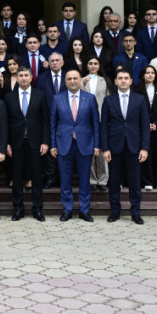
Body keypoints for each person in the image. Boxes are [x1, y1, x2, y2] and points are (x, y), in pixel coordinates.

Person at [49, 69, 100, 222]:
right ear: (65, 81)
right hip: (64, 144)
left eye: (75, 78)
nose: (72, 81)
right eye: (69, 79)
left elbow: (95, 123)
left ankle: (84, 210)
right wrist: (53, 144)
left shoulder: (90, 98)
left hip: (85, 144)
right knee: (65, 180)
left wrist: (97, 144)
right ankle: (67, 209)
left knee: (84, 180)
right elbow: (53, 123)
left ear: (80, 80)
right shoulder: (57, 98)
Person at [101, 70, 151, 224]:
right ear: (115, 81)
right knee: (114, 182)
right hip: (114, 147)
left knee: (135, 182)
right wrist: (105, 148)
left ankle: (135, 212)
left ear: (131, 81)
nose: (123, 81)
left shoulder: (140, 99)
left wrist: (144, 148)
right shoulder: (108, 100)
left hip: (134, 147)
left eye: (126, 78)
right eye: (120, 78)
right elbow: (104, 126)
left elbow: (144, 125)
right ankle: (115, 212)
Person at [4, 66, 50, 222]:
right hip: (16, 143)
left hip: (35, 142)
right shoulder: (9, 97)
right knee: (17, 178)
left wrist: (45, 141)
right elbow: (6, 123)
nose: (23, 78)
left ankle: (37, 209)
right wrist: (7, 143)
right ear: (17, 78)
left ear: (31, 78)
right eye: (21, 75)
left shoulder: (40, 95)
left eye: (26, 75)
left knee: (36, 177)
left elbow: (45, 120)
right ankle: (18, 209)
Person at [36, 52, 66, 189]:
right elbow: (39, 99)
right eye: (52, 60)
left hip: (66, 119)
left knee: (63, 148)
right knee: (48, 148)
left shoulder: (69, 77)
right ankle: (50, 177)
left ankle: (62, 177)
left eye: (57, 60)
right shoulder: (42, 78)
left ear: (62, 62)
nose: (54, 62)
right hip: (47, 118)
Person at [82, 57, 113, 191]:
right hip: (85, 118)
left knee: (102, 149)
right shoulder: (81, 79)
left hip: (101, 117)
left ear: (99, 66)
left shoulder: (104, 80)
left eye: (95, 63)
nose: (93, 66)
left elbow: (109, 99)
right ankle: (92, 179)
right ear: (87, 65)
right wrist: (82, 83)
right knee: (89, 149)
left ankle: (103, 180)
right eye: (90, 63)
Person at [137, 65, 157, 191]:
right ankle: (147, 181)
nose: (150, 75)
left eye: (152, 73)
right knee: (146, 156)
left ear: (156, 75)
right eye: (147, 72)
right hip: (142, 128)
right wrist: (146, 125)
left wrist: (156, 123)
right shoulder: (137, 90)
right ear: (143, 75)